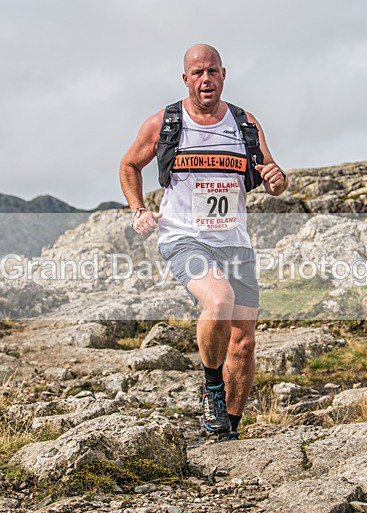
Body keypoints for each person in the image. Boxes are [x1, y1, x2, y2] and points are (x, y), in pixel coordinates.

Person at [119, 44, 288, 442]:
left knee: (243, 343)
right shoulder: (165, 122)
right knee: (219, 300)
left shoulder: (244, 123)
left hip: (235, 242)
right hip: (184, 238)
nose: (205, 79)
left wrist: (278, 181)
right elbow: (129, 165)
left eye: (211, 71)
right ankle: (212, 388)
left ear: (224, 74)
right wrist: (138, 209)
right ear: (185, 79)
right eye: (197, 73)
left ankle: (227, 428)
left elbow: (272, 176)